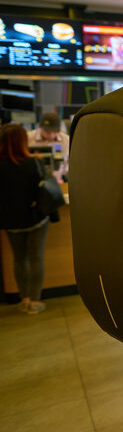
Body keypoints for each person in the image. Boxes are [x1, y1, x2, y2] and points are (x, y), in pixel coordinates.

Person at [0, 124, 50, 315]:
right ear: (22, 141)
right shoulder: (33, 163)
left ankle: (24, 299)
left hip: (11, 221)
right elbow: (42, 190)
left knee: (19, 259)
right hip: (35, 218)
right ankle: (36, 301)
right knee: (36, 257)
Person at [27, 112, 69, 179]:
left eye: (55, 131)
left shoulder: (67, 140)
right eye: (48, 132)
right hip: (33, 179)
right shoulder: (28, 138)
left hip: (58, 181)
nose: (52, 135)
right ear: (39, 126)